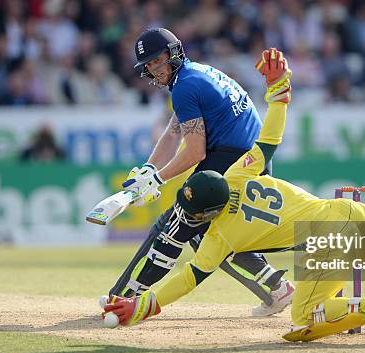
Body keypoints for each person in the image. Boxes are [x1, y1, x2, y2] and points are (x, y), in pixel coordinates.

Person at [103, 49, 365, 344]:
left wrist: (141, 308)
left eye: (195, 216)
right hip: (345, 209)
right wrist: (279, 85)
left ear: (207, 212)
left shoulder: (221, 238)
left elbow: (186, 279)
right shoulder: (239, 169)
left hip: (327, 242)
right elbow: (271, 134)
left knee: (302, 324)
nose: (193, 221)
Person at [102, 28, 294, 317]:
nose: (155, 69)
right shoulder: (195, 74)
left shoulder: (185, 86)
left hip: (230, 161)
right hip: (250, 157)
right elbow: (173, 132)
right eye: (149, 65)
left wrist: (157, 179)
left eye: (158, 60)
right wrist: (149, 168)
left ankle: (123, 298)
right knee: (212, 234)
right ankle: (277, 288)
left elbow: (194, 153)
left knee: (172, 226)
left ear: (173, 53)